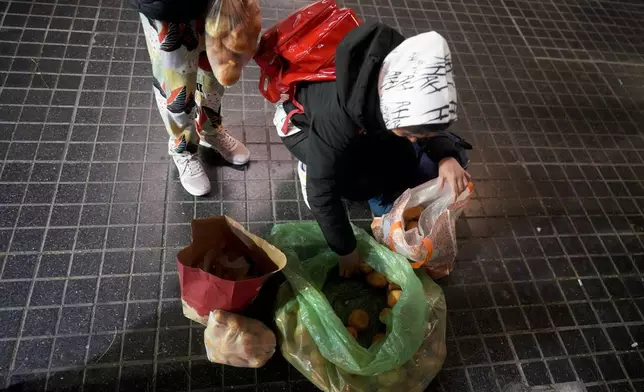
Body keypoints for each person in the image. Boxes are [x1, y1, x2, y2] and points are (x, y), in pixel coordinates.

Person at [273, 22, 472, 277]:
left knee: (423, 158)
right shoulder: (338, 118)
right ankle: (308, 165)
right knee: (352, 181)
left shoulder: (404, 74)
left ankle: (384, 187)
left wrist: (447, 156)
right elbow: (320, 191)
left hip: (366, 125)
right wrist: (345, 249)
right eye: (410, 133)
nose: (414, 139)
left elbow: (425, 125)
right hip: (304, 128)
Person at [131, 0, 250, 196]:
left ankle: (209, 129)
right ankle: (183, 148)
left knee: (215, 72)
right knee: (176, 85)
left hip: (216, 4)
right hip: (168, 8)